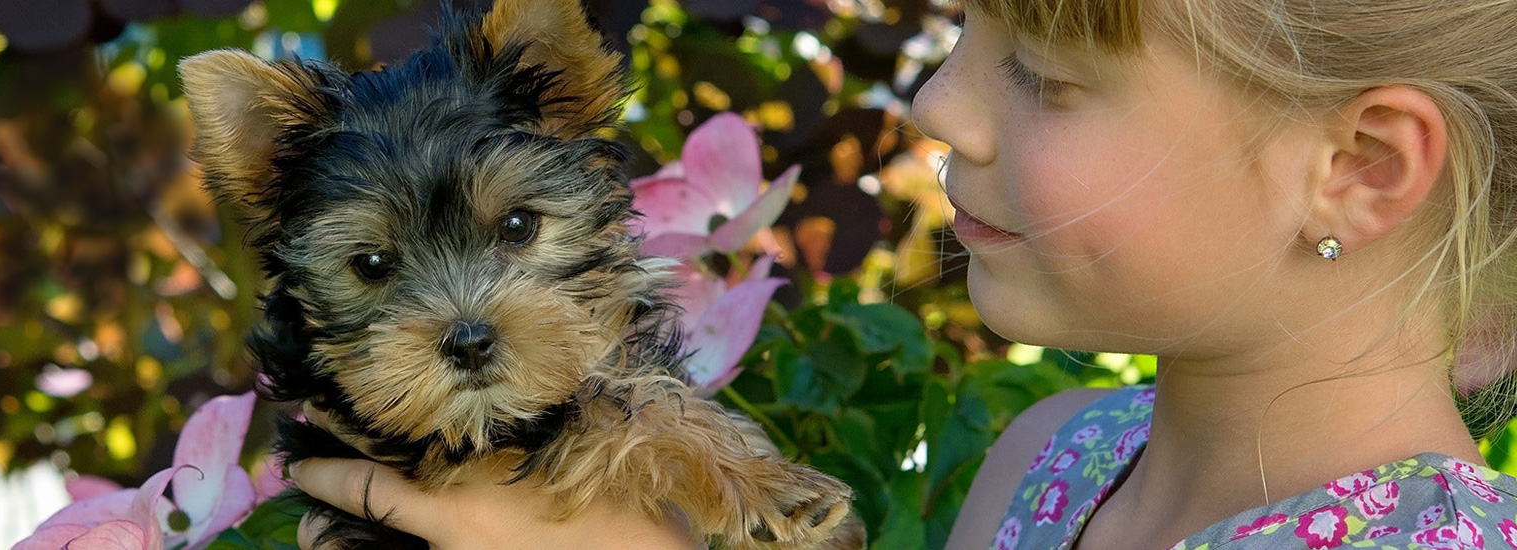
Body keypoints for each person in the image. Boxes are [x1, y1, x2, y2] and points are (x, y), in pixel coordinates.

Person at [290, 0, 1517, 548]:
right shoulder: (1058, 453)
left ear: (1358, 165)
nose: (940, 104)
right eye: (963, 33)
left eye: (1043, 72)